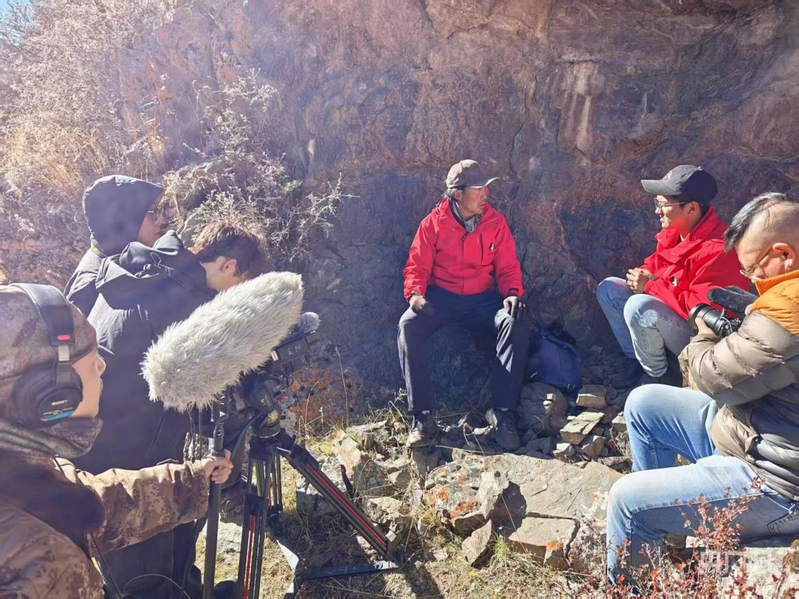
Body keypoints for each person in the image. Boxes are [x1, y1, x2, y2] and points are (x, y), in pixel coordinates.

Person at [605, 192, 799, 588]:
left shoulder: (789, 310)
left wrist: (704, 332)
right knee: (644, 403)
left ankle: (632, 583)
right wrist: (750, 315)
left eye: (753, 269)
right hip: (753, 431)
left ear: (784, 254)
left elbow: (710, 379)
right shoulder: (785, 297)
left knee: (627, 501)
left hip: (776, 482)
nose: (751, 280)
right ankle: (666, 532)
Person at [0, 283, 233, 598]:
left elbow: (96, 504)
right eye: (90, 360)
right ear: (52, 396)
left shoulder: (19, 472)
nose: (102, 365)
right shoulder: (33, 565)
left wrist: (193, 480)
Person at [73, 219, 265, 598]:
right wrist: (228, 453)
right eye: (240, 283)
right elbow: (207, 390)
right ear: (228, 266)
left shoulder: (145, 273)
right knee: (147, 581)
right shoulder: (185, 303)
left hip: (103, 448)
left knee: (176, 547)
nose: (234, 294)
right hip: (131, 462)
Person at [398, 159, 529, 451]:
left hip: (482, 299)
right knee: (408, 324)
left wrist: (512, 293)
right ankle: (422, 419)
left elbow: (508, 267)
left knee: (513, 319)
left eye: (486, 188)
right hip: (441, 298)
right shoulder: (433, 224)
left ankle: (504, 414)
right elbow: (416, 266)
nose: (486, 194)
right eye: (479, 188)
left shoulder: (495, 222)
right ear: (458, 194)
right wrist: (415, 295)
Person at [596, 165, 748, 387]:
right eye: (656, 203)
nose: (657, 211)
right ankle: (637, 362)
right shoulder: (675, 232)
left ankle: (659, 375)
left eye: (662, 205)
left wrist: (650, 286)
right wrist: (641, 276)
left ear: (691, 208)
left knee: (640, 307)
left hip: (700, 336)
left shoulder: (718, 250)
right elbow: (656, 267)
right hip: (670, 317)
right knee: (609, 289)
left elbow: (702, 310)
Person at [64, 175, 165, 315]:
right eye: (150, 214)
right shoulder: (89, 290)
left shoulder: (116, 252)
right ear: (124, 224)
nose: (159, 221)